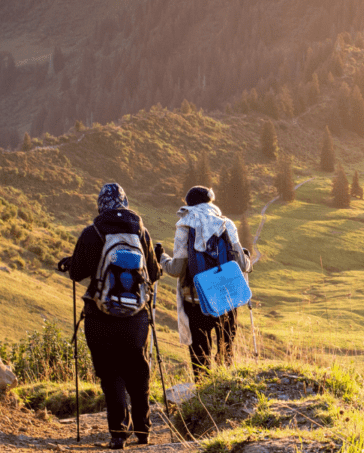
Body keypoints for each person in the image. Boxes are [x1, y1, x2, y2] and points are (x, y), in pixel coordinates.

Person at [66, 183, 160, 450]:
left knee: (111, 372)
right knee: (137, 368)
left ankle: (119, 434)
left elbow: (77, 273)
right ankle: (144, 430)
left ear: (101, 205)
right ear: (125, 202)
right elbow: (153, 274)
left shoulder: (92, 232)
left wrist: (70, 263)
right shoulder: (141, 232)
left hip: (100, 315)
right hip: (136, 316)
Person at [161, 186, 252, 380]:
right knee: (226, 355)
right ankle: (226, 398)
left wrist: (161, 259)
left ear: (189, 205)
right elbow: (242, 265)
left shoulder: (184, 225)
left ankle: (203, 399)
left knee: (200, 359)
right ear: (210, 202)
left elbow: (176, 269)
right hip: (227, 299)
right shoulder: (226, 223)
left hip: (196, 300)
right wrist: (246, 256)